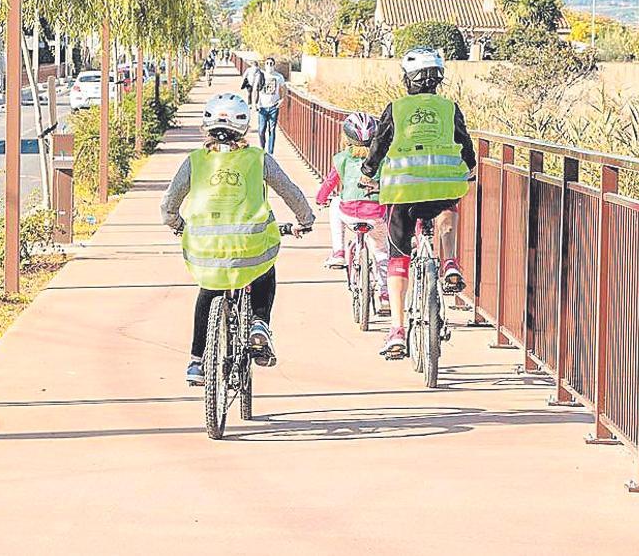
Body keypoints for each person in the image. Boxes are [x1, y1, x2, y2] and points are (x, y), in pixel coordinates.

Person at [161, 92, 315, 385]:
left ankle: (196, 362)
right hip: (249, 248)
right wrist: (305, 220)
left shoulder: (194, 162)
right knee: (264, 270)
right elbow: (290, 191)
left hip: (205, 250)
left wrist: (178, 225)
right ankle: (259, 323)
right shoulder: (259, 159)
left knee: (208, 290)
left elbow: (169, 204)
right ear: (243, 127)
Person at [360, 47, 476, 358]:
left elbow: (379, 144)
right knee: (448, 204)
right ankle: (449, 262)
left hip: (402, 192)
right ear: (438, 80)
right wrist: (471, 169)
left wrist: (367, 172)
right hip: (444, 186)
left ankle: (397, 329)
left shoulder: (396, 109)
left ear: (407, 79)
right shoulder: (449, 108)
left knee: (398, 256)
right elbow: (465, 143)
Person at [316, 112, 390, 309]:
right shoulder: (383, 159)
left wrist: (320, 199)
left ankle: (338, 251)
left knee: (335, 203)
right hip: (376, 215)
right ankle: (384, 295)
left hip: (349, 214)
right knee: (381, 251)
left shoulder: (342, 158)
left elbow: (330, 183)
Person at [255, 57, 286, 153]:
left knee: (272, 129)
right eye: (267, 63)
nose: (269, 65)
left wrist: (282, 100)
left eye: (271, 63)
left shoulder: (279, 77)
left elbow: (284, 88)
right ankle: (262, 148)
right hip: (262, 107)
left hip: (273, 106)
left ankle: (270, 151)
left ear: (274, 65)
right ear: (265, 65)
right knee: (261, 130)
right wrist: (255, 103)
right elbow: (255, 90)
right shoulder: (260, 75)